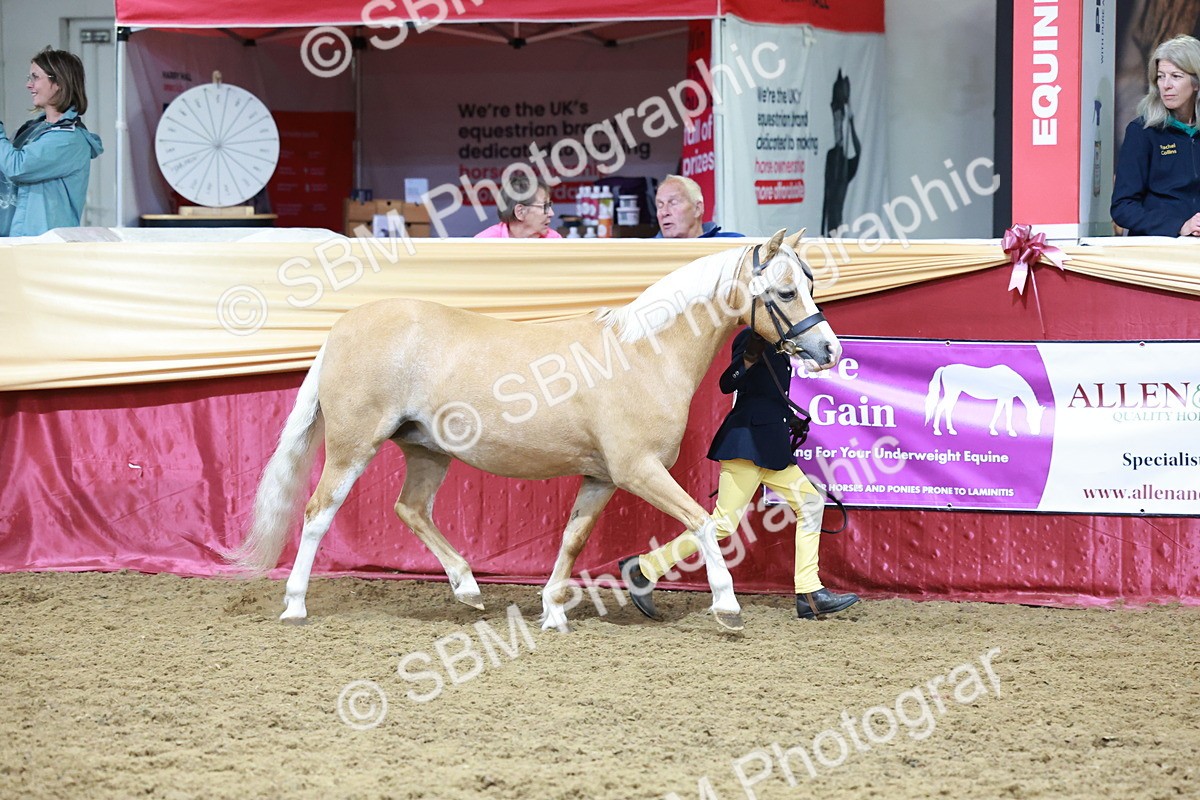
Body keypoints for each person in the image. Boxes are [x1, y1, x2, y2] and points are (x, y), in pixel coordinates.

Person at [620, 328, 860, 621]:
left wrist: (789, 420)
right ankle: (644, 569)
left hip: (772, 448)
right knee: (722, 525)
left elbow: (770, 395)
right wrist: (747, 360)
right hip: (745, 445)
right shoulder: (751, 338)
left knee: (810, 503)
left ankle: (809, 594)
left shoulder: (784, 346)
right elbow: (727, 383)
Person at [0, 47, 103, 237]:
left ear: (59, 83)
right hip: (16, 243)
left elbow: (17, 167)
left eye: (35, 77)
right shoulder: (32, 130)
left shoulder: (68, 140)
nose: (28, 85)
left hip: (41, 247)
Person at [1112, 35, 1200, 237]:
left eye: (1176, 76)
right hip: (1158, 246)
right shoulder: (1142, 131)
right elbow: (1123, 208)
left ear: (1196, 83)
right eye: (1161, 76)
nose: (1166, 85)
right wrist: (1179, 226)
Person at [821, 69, 861, 236]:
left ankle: (832, 231)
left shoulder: (845, 163)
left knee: (835, 211)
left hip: (841, 164)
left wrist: (851, 125)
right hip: (837, 163)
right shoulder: (832, 156)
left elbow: (858, 150)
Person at [474, 170, 562, 239]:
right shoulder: (484, 243)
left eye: (549, 206)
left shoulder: (554, 240)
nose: (551, 213)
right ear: (520, 212)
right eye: (545, 206)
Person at [654, 174, 743, 238]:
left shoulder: (732, 246)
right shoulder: (645, 252)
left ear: (697, 209)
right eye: (660, 205)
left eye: (673, 203)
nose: (664, 212)